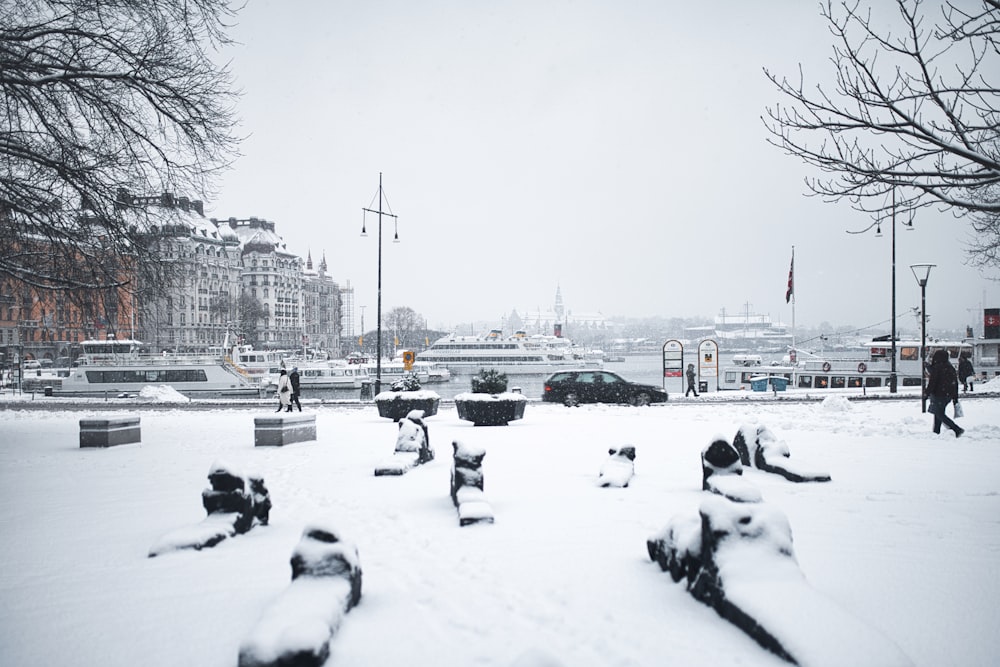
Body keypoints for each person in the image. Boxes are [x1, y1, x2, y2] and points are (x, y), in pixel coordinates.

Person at [924, 349, 963, 437]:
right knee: (939, 412)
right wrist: (955, 397)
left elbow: (933, 381)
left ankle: (956, 429)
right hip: (948, 395)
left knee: (939, 413)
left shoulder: (937, 367)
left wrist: (926, 393)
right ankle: (936, 431)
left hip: (938, 394)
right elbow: (954, 383)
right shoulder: (949, 367)